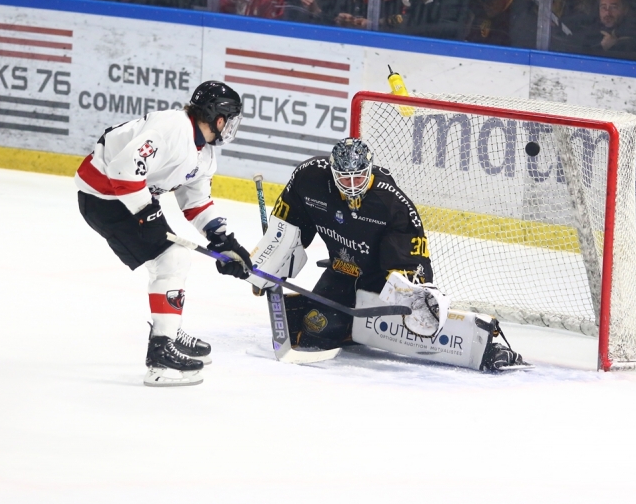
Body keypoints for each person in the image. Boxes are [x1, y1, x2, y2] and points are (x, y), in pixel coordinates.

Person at [217, 138, 530, 372]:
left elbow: (409, 261)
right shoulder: (309, 179)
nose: (352, 186)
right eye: (345, 179)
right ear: (332, 172)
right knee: (314, 332)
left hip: (381, 281)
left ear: (369, 171)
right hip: (342, 271)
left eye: (359, 178)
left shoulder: (391, 203)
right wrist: (266, 266)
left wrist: (411, 294)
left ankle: (485, 347)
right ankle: (351, 329)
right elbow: (286, 229)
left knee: (414, 324)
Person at [75, 80, 252, 387]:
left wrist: (223, 241)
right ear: (219, 118)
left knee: (170, 261)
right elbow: (123, 170)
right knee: (172, 259)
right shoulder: (173, 128)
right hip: (103, 197)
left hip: (124, 198)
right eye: (231, 119)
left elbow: (196, 202)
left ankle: (167, 330)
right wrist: (146, 212)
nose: (231, 126)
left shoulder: (203, 152)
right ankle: (161, 358)